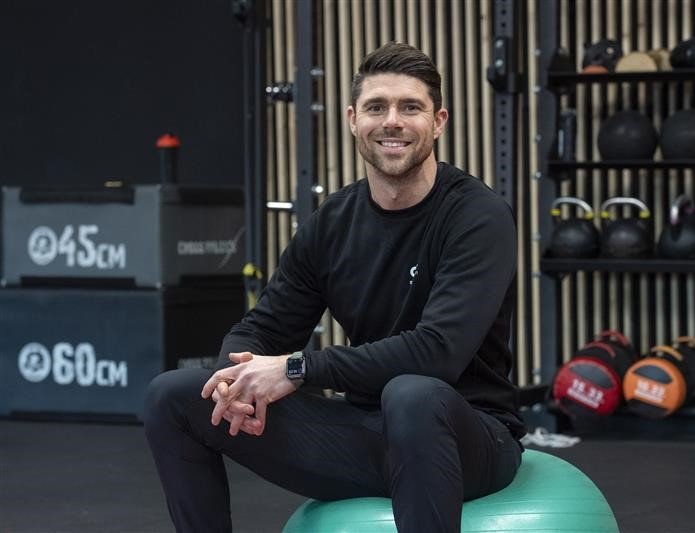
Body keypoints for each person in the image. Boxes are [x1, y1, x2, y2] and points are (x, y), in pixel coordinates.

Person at [143, 41, 525, 533]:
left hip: (469, 436)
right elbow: (265, 327)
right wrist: (232, 381)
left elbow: (438, 353)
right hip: (367, 433)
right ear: (352, 120)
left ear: (438, 122)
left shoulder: (477, 216)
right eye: (376, 107)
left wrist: (298, 368)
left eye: (410, 107)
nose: (392, 121)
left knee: (412, 395)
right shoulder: (333, 222)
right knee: (172, 396)